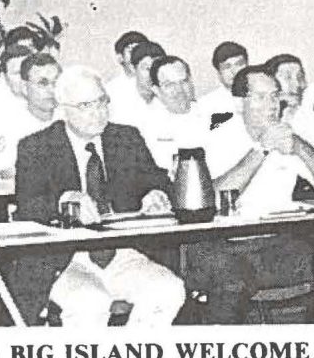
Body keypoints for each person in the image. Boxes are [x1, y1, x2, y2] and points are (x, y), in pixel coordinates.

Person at [13, 66, 185, 328]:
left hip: (124, 253)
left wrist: (156, 193)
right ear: (63, 109)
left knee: (169, 290)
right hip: (68, 258)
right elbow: (27, 205)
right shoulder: (37, 146)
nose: (98, 111)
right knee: (89, 302)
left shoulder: (126, 138)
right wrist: (64, 202)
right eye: (85, 105)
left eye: (102, 101)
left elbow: (158, 179)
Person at [186, 65, 314, 324]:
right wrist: (262, 149)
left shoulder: (287, 133)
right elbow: (212, 198)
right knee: (230, 282)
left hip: (279, 239)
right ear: (240, 103)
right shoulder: (216, 133)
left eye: (275, 95)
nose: (272, 104)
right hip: (226, 243)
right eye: (261, 97)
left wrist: (299, 147)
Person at [0, 53, 62, 180]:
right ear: (25, 87)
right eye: (43, 83)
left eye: (57, 82)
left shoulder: (71, 119)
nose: (52, 90)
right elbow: (7, 173)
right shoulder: (11, 126)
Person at [140, 55, 210, 170]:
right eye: (169, 85)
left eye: (183, 81)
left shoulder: (210, 113)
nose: (179, 90)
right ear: (156, 90)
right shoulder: (148, 127)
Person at [110, 41, 166, 128]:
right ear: (133, 68)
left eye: (157, 68)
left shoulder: (170, 98)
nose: (153, 74)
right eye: (147, 69)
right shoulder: (117, 100)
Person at [196, 41, 249, 125]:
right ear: (219, 73)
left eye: (239, 64)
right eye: (227, 67)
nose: (234, 71)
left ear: (247, 66)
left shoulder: (264, 95)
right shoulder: (205, 105)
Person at [104, 30, 149, 106]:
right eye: (131, 51)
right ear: (120, 58)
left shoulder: (159, 85)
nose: (136, 56)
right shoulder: (110, 90)